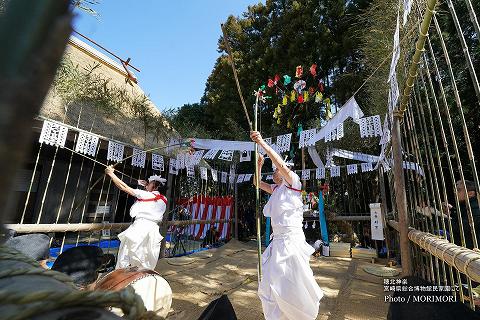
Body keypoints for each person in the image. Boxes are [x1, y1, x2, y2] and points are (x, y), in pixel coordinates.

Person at [250, 131, 323, 320]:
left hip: (291, 240)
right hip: (278, 240)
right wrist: (258, 165)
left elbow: (281, 164)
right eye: (273, 170)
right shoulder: (276, 189)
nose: (274, 173)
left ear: (282, 173)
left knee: (292, 279)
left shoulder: (293, 183)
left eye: (276, 170)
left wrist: (263, 144)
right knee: (273, 280)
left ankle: (300, 315)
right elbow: (257, 183)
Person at [105, 165, 167, 270]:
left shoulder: (146, 195)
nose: (146, 184)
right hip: (152, 229)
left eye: (149, 183)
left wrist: (110, 173)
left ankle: (124, 274)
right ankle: (142, 275)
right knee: (146, 255)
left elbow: (123, 187)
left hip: (140, 227)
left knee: (127, 252)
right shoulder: (163, 198)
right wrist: (142, 184)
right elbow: (147, 194)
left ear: (155, 186)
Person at [449, 180, 480, 249]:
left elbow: (462, 228)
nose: (455, 192)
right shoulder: (467, 204)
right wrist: (452, 211)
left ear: (470, 194)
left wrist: (442, 218)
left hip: (470, 252)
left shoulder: (475, 207)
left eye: (458, 190)